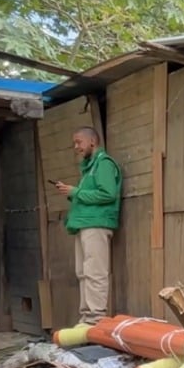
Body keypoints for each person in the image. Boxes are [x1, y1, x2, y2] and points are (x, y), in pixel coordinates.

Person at [54, 127, 120, 326]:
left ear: (92, 141)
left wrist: (75, 192)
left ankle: (95, 318)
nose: (76, 147)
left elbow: (108, 194)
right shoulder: (90, 167)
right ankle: (86, 317)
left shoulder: (104, 164)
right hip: (85, 224)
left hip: (97, 224)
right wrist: (73, 192)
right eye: (75, 143)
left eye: (79, 142)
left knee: (95, 271)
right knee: (83, 272)